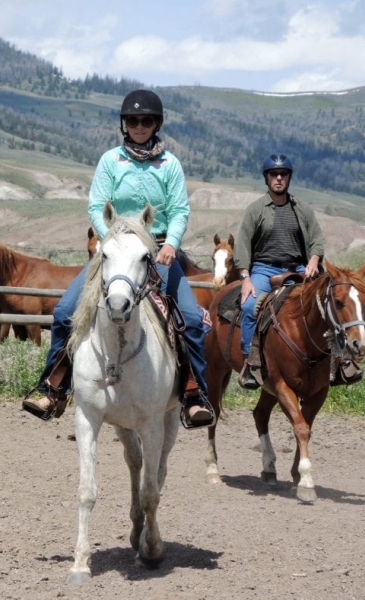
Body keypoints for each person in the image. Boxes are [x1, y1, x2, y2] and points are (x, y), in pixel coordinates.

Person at [22, 89, 214, 429]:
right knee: (66, 312)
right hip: (114, 250)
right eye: (133, 121)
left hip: (156, 250)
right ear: (124, 125)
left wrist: (171, 243)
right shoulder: (111, 161)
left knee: (191, 320)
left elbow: (180, 209)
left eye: (146, 120)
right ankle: (53, 386)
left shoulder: (170, 165)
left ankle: (193, 393)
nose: (139, 126)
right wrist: (108, 238)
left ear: (156, 124)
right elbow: (97, 205)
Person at [234, 153, 326, 389]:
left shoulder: (302, 209)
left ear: (289, 178)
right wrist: (245, 277)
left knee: (328, 302)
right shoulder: (256, 209)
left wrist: (314, 260)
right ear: (266, 178)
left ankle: (338, 360)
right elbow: (242, 244)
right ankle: (250, 361)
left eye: (283, 174)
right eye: (273, 174)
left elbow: (316, 238)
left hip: (299, 268)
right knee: (249, 306)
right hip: (265, 269)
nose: (278, 178)